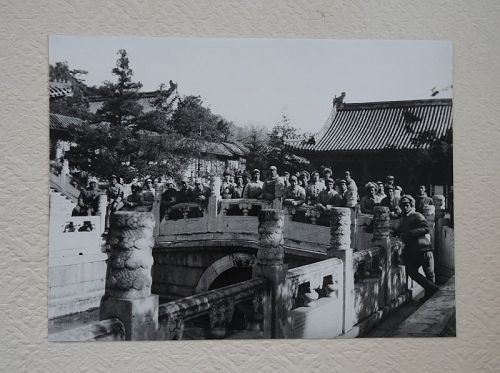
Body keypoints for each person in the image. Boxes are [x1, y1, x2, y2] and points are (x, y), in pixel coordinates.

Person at [396, 195, 439, 301]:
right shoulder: (403, 218)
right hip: (414, 251)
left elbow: (425, 228)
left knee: (429, 274)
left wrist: (409, 233)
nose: (405, 207)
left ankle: (432, 294)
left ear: (411, 205)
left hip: (424, 249)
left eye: (407, 205)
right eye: (403, 205)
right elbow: (398, 231)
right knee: (411, 271)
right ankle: (434, 290)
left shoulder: (416, 215)